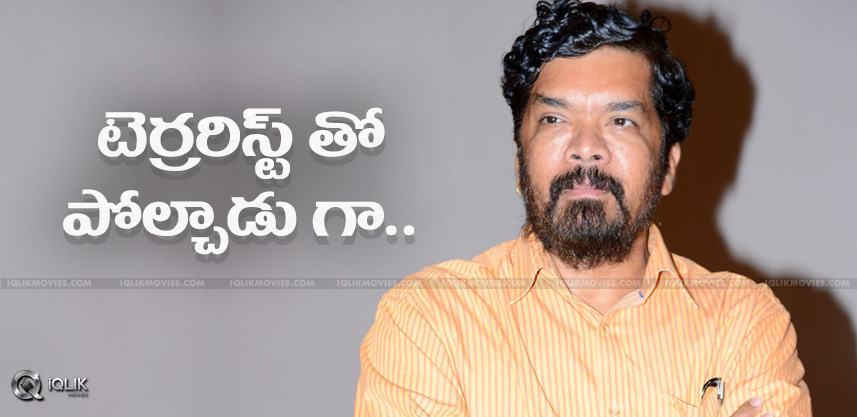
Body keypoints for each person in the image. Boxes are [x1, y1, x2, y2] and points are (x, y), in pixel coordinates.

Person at [354, 1, 811, 416]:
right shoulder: (428, 318)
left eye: (621, 120)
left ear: (668, 167)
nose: (586, 147)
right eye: (554, 119)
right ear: (519, 162)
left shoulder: (744, 321)